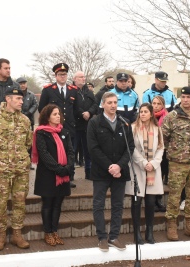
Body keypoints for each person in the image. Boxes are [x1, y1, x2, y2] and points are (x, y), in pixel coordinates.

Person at [0, 87, 32, 251]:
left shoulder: (25, 120)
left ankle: (17, 234)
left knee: (20, 202)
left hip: (20, 169)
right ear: (8, 99)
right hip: (0, 169)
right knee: (0, 203)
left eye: (22, 99)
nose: (21, 102)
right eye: (18, 99)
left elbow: (28, 143)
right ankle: (1, 235)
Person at [87, 92, 135, 252]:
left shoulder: (124, 122)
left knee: (118, 205)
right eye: (109, 102)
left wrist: (119, 166)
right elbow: (93, 148)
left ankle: (114, 236)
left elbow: (130, 147)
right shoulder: (94, 122)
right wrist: (110, 166)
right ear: (103, 104)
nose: (113, 105)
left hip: (120, 172)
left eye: (115, 102)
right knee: (98, 205)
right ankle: (102, 237)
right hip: (101, 172)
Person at [162, 86, 190, 241]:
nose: (186, 100)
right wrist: (176, 152)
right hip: (177, 163)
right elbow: (164, 139)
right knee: (174, 195)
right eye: (183, 97)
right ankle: (172, 225)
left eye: (189, 97)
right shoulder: (171, 117)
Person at [32, 104, 74, 246]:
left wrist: (68, 167)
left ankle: (54, 231)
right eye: (55, 114)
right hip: (48, 175)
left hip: (63, 174)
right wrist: (57, 168)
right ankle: (48, 232)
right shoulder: (41, 133)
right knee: (48, 204)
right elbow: (44, 154)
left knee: (58, 204)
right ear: (47, 116)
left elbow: (70, 152)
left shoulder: (65, 132)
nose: (58, 116)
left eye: (59, 114)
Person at [125, 103, 164, 244]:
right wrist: (143, 162)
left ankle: (149, 232)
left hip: (153, 169)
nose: (142, 114)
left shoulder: (157, 128)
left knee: (150, 201)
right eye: (141, 111)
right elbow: (132, 147)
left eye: (145, 112)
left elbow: (161, 148)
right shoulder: (133, 128)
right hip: (138, 167)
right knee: (137, 202)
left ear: (151, 114)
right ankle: (137, 233)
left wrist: (153, 163)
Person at [38, 63, 78, 188]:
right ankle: (56, 173)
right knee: (55, 152)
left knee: (70, 152)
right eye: (60, 75)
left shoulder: (73, 90)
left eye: (65, 74)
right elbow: (42, 109)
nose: (63, 77)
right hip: (54, 128)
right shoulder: (48, 90)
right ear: (55, 76)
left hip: (69, 127)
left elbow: (76, 109)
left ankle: (69, 176)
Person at [74, 71, 98, 180]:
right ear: (75, 79)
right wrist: (82, 113)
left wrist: (89, 112)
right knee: (73, 150)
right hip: (75, 125)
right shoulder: (72, 91)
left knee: (88, 150)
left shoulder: (88, 92)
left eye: (84, 77)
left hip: (87, 125)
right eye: (80, 77)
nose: (83, 79)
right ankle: (70, 175)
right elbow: (72, 106)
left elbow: (95, 104)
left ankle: (89, 172)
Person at [151, 96, 168, 212]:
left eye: (158, 104)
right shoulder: (147, 116)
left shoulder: (167, 117)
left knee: (160, 177)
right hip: (150, 151)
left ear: (163, 105)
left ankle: (158, 200)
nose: (156, 106)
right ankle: (151, 202)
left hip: (163, 151)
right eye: (154, 103)